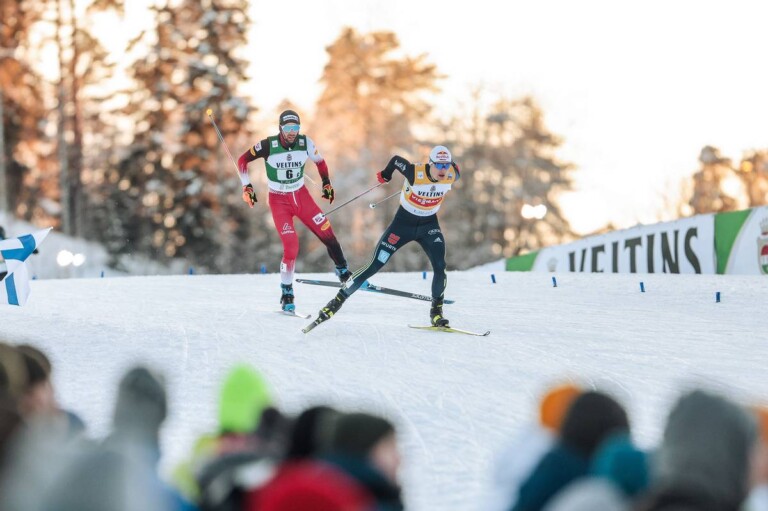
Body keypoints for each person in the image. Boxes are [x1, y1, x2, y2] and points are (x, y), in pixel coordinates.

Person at [313, 145, 460, 327]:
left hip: (429, 225)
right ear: (430, 164)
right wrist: (386, 174)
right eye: (439, 165)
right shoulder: (415, 172)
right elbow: (396, 160)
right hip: (402, 225)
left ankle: (436, 313)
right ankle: (334, 304)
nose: (443, 170)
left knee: (440, 266)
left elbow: (450, 172)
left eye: (446, 165)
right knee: (375, 264)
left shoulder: (454, 173)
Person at [237, 109, 350, 312]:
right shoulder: (267, 145)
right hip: (279, 201)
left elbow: (320, 162)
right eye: (288, 128)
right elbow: (242, 161)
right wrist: (247, 186)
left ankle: (343, 271)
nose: (292, 132)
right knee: (291, 247)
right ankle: (287, 292)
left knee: (328, 233)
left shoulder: (304, 143)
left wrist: (326, 184)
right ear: (280, 128)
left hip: (301, 196)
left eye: (295, 127)